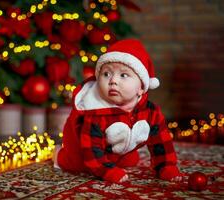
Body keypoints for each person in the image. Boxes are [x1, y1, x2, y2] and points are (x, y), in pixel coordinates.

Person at [53, 39, 183, 183]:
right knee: (77, 165)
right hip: (83, 149)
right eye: (106, 74)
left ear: (141, 88)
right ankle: (59, 154)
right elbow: (92, 150)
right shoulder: (96, 112)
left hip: (117, 149)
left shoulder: (150, 112)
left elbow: (162, 141)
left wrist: (166, 166)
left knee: (130, 160)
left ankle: (120, 157)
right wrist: (107, 171)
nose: (113, 80)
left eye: (123, 75)